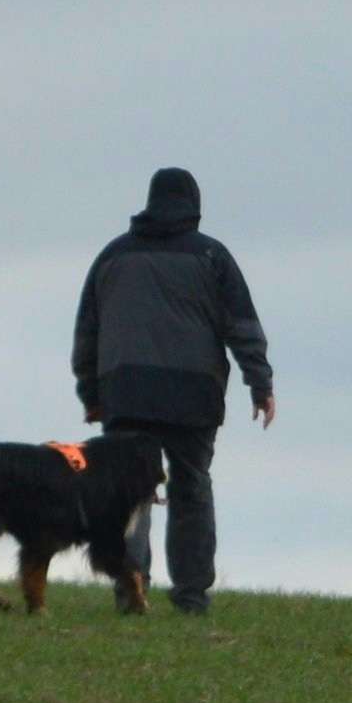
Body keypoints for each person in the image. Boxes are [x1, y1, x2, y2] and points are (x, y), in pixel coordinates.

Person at [71, 166, 275, 614]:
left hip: (126, 391)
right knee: (191, 488)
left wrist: (92, 393)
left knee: (130, 494)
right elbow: (242, 326)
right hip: (192, 394)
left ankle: (131, 585)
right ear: (194, 207)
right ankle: (190, 595)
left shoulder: (112, 257)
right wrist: (259, 383)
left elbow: (88, 330)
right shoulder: (212, 257)